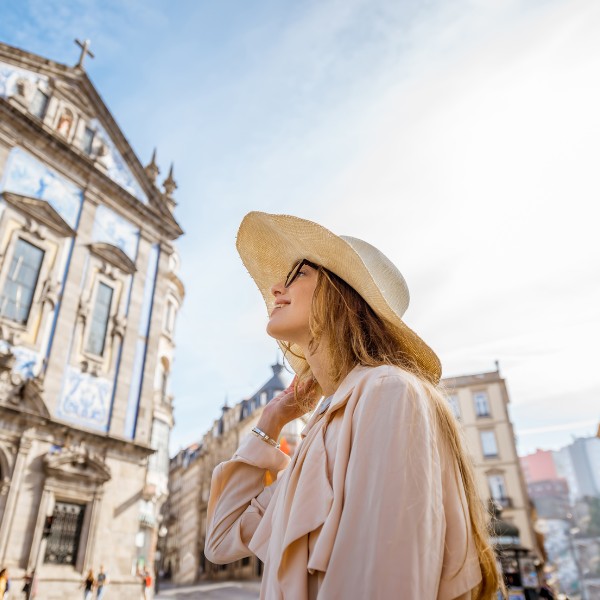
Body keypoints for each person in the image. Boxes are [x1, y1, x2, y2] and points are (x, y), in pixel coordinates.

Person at [205, 212, 503, 599]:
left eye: (298, 274)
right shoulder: (325, 428)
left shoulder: (388, 392)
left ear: (340, 293)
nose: (277, 287)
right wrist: (271, 422)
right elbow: (222, 539)